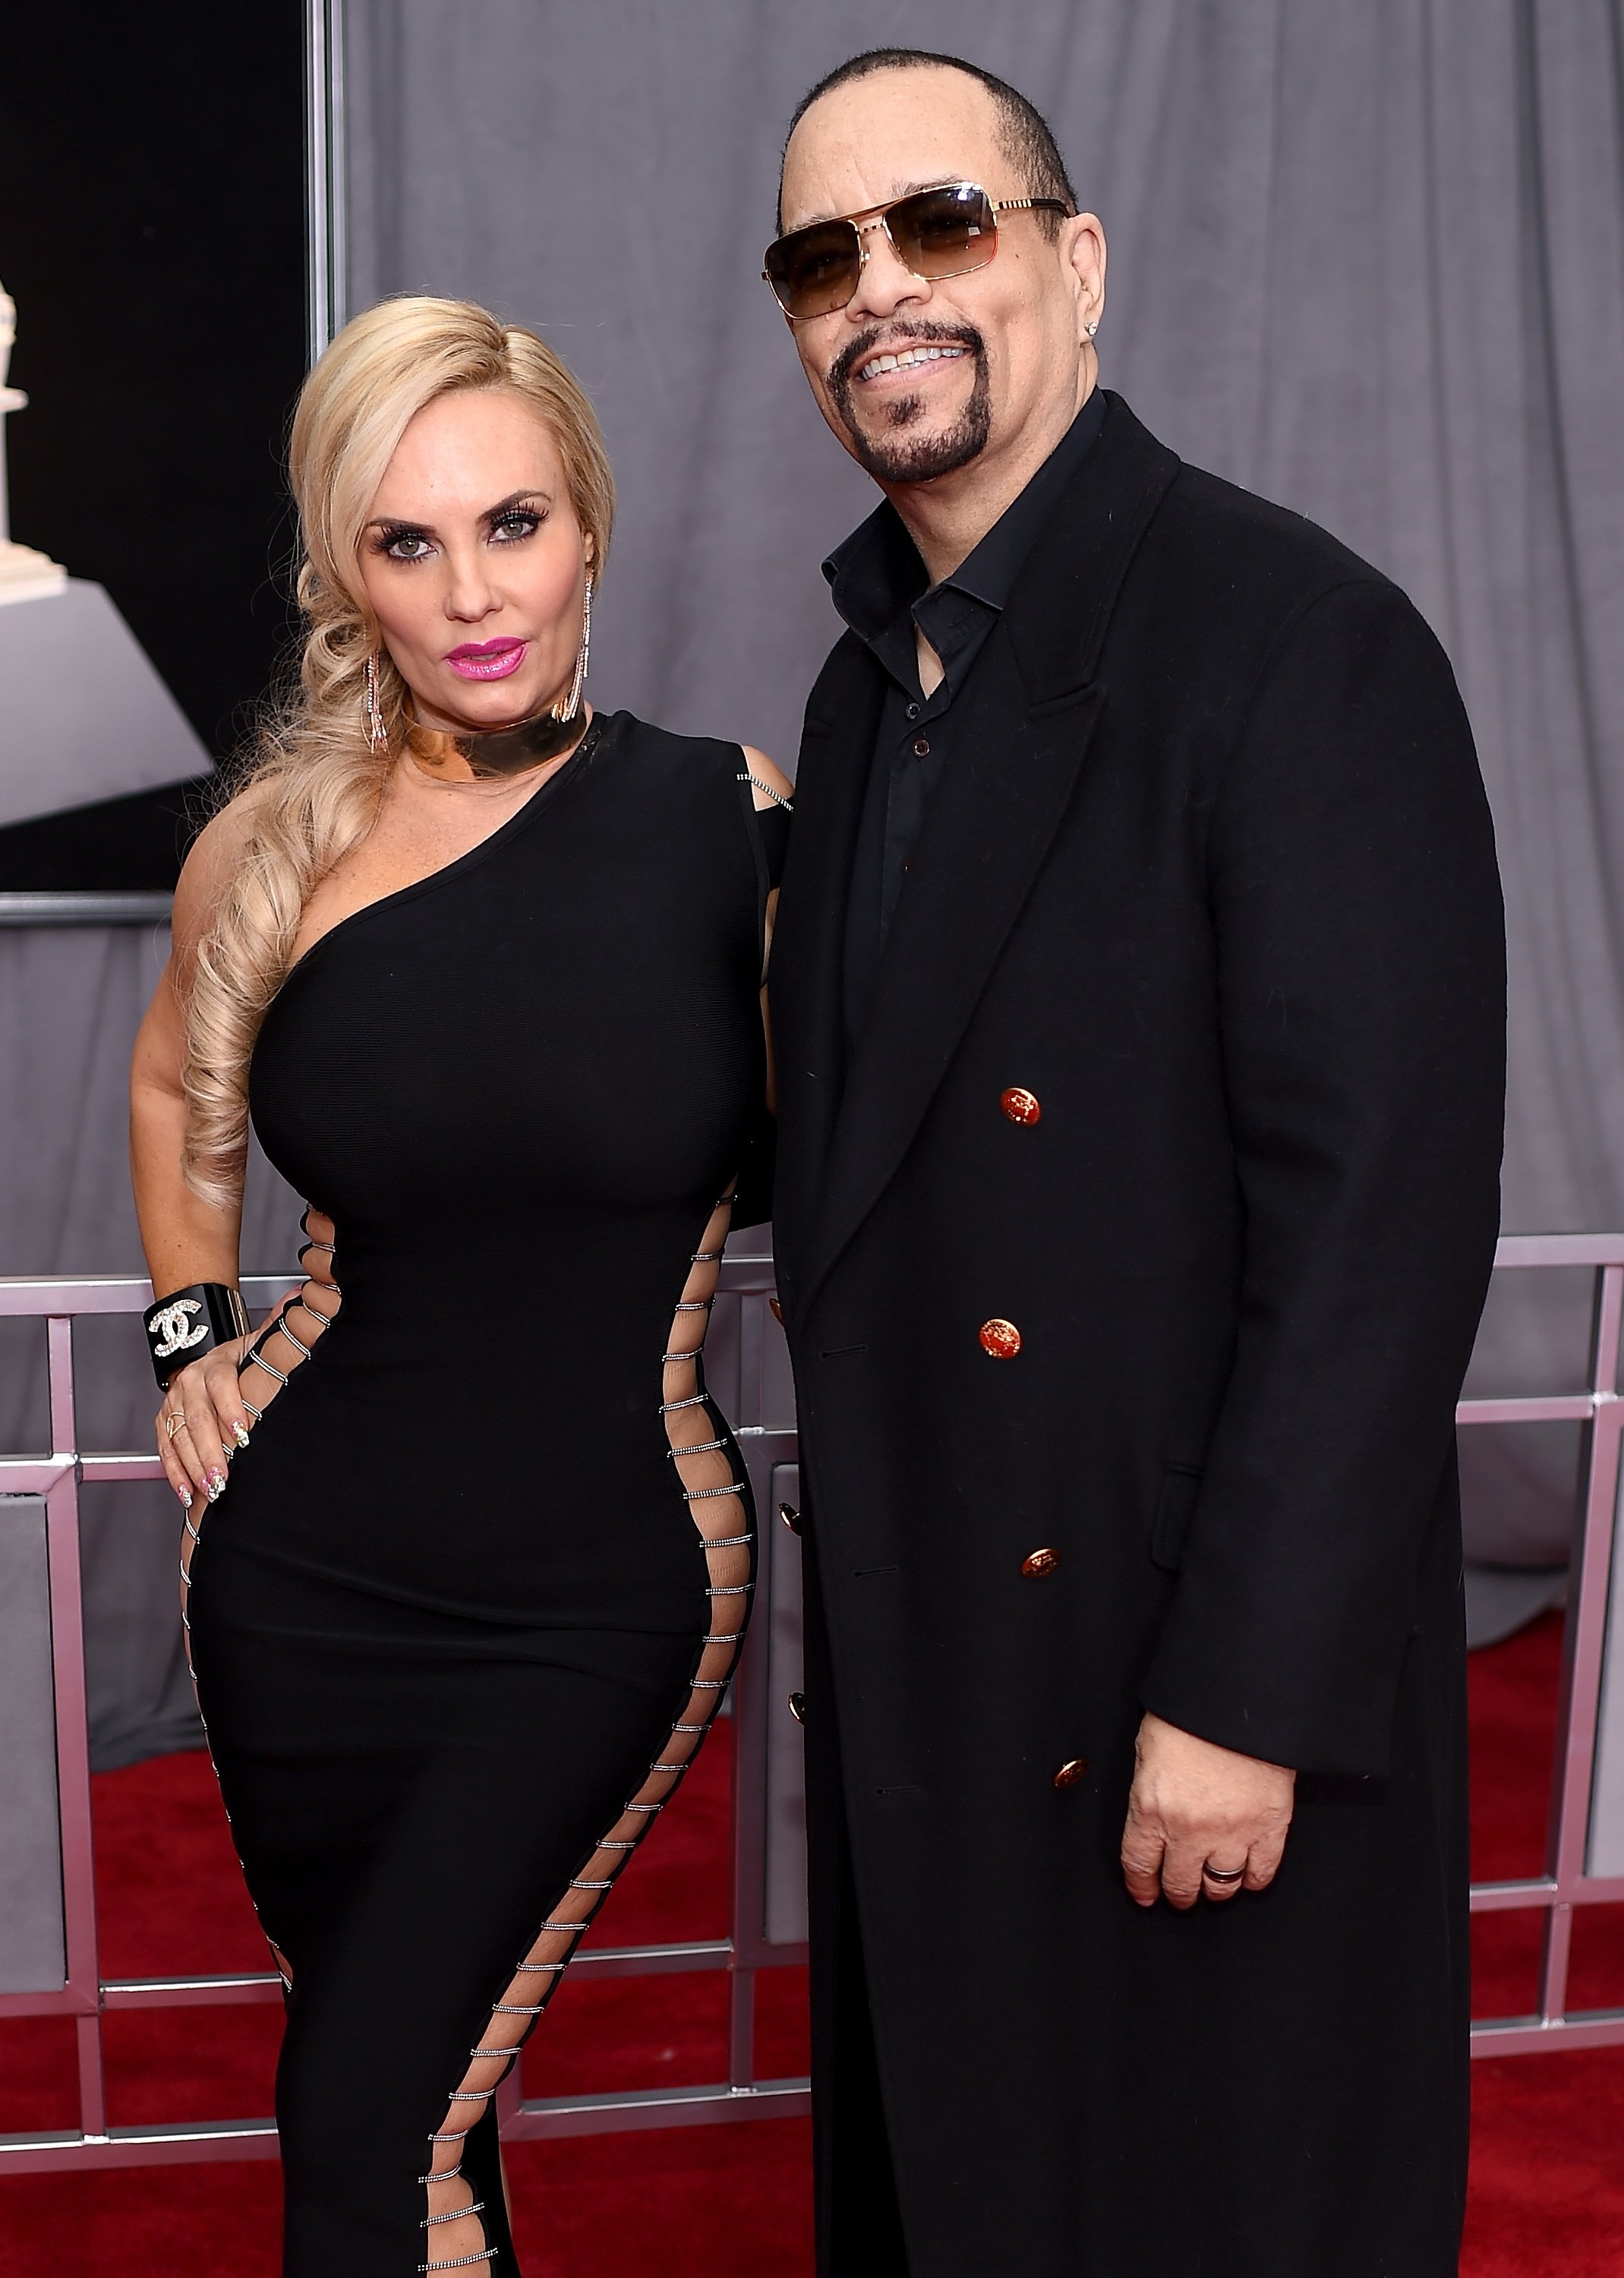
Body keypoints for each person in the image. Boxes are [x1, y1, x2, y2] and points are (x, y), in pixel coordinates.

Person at [759, 47, 1506, 2278]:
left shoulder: (1295, 641)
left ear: (1075, 264)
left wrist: (1246, 1698)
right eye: (822, 258)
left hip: (1176, 1698)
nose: (880, 289)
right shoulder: (862, 687)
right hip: (942, 1676)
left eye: (942, 225)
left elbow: (1377, 1221)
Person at [128, 295, 790, 2276]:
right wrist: (191, 1332)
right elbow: (175, 1084)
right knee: (415, 2107)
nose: (472, 592)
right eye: (406, 543)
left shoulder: (725, 824)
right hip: (295, 1574)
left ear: (584, 521)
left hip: (599, 1589)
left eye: (512, 523)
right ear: (345, 570)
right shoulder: (270, 848)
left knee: (357, 2130)